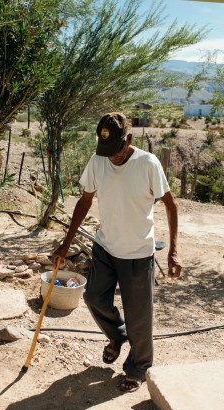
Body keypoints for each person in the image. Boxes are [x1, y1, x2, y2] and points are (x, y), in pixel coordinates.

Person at [52, 112, 182, 393]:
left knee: (139, 315)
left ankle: (138, 367)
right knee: (93, 297)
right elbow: (85, 201)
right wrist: (66, 241)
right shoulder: (99, 160)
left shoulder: (148, 163)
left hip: (137, 253)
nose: (112, 157)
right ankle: (117, 335)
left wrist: (173, 251)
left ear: (129, 140)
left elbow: (171, 205)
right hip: (106, 247)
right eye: (106, 151)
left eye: (117, 150)